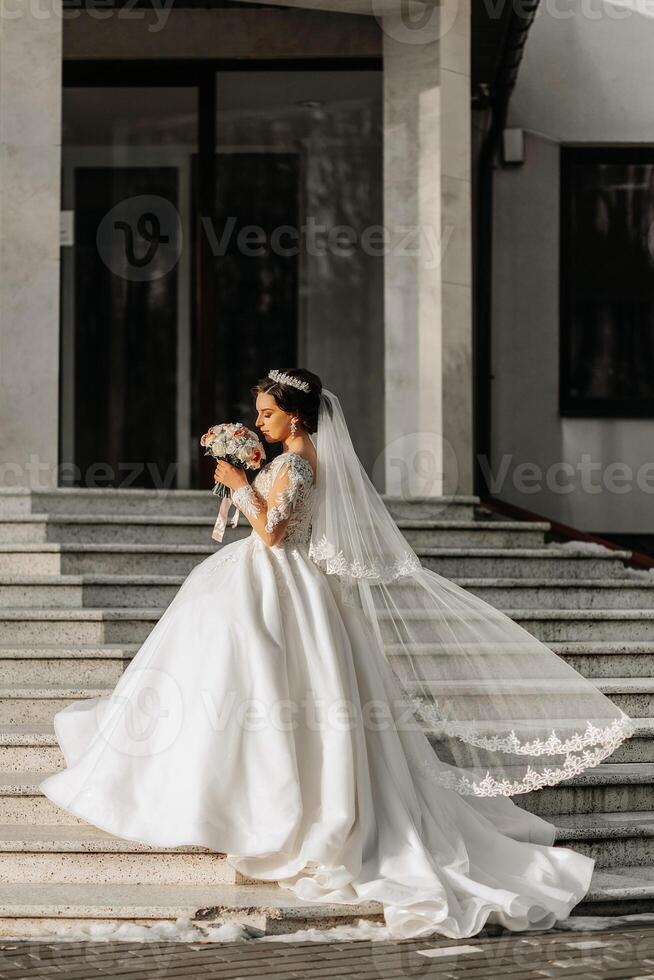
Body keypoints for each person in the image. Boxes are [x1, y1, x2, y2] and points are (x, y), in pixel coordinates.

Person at [40, 368, 636, 940]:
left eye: (267, 414)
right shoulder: (287, 459)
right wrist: (246, 479)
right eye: (257, 413)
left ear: (296, 418)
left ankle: (259, 798)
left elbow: (274, 534)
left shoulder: (298, 464)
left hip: (282, 585)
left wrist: (239, 484)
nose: (258, 422)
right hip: (260, 579)